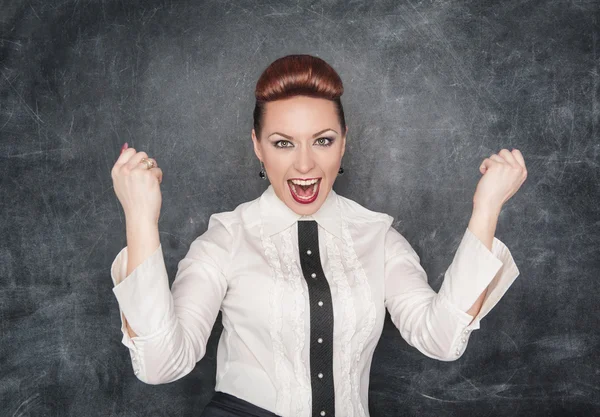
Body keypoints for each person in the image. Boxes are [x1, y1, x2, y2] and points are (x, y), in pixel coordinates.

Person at [110, 54, 527, 417]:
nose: (305, 164)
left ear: (343, 143)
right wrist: (140, 217)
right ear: (258, 146)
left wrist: (487, 208)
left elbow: (441, 339)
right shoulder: (226, 238)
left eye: (322, 141)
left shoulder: (376, 236)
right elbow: (160, 364)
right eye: (283, 143)